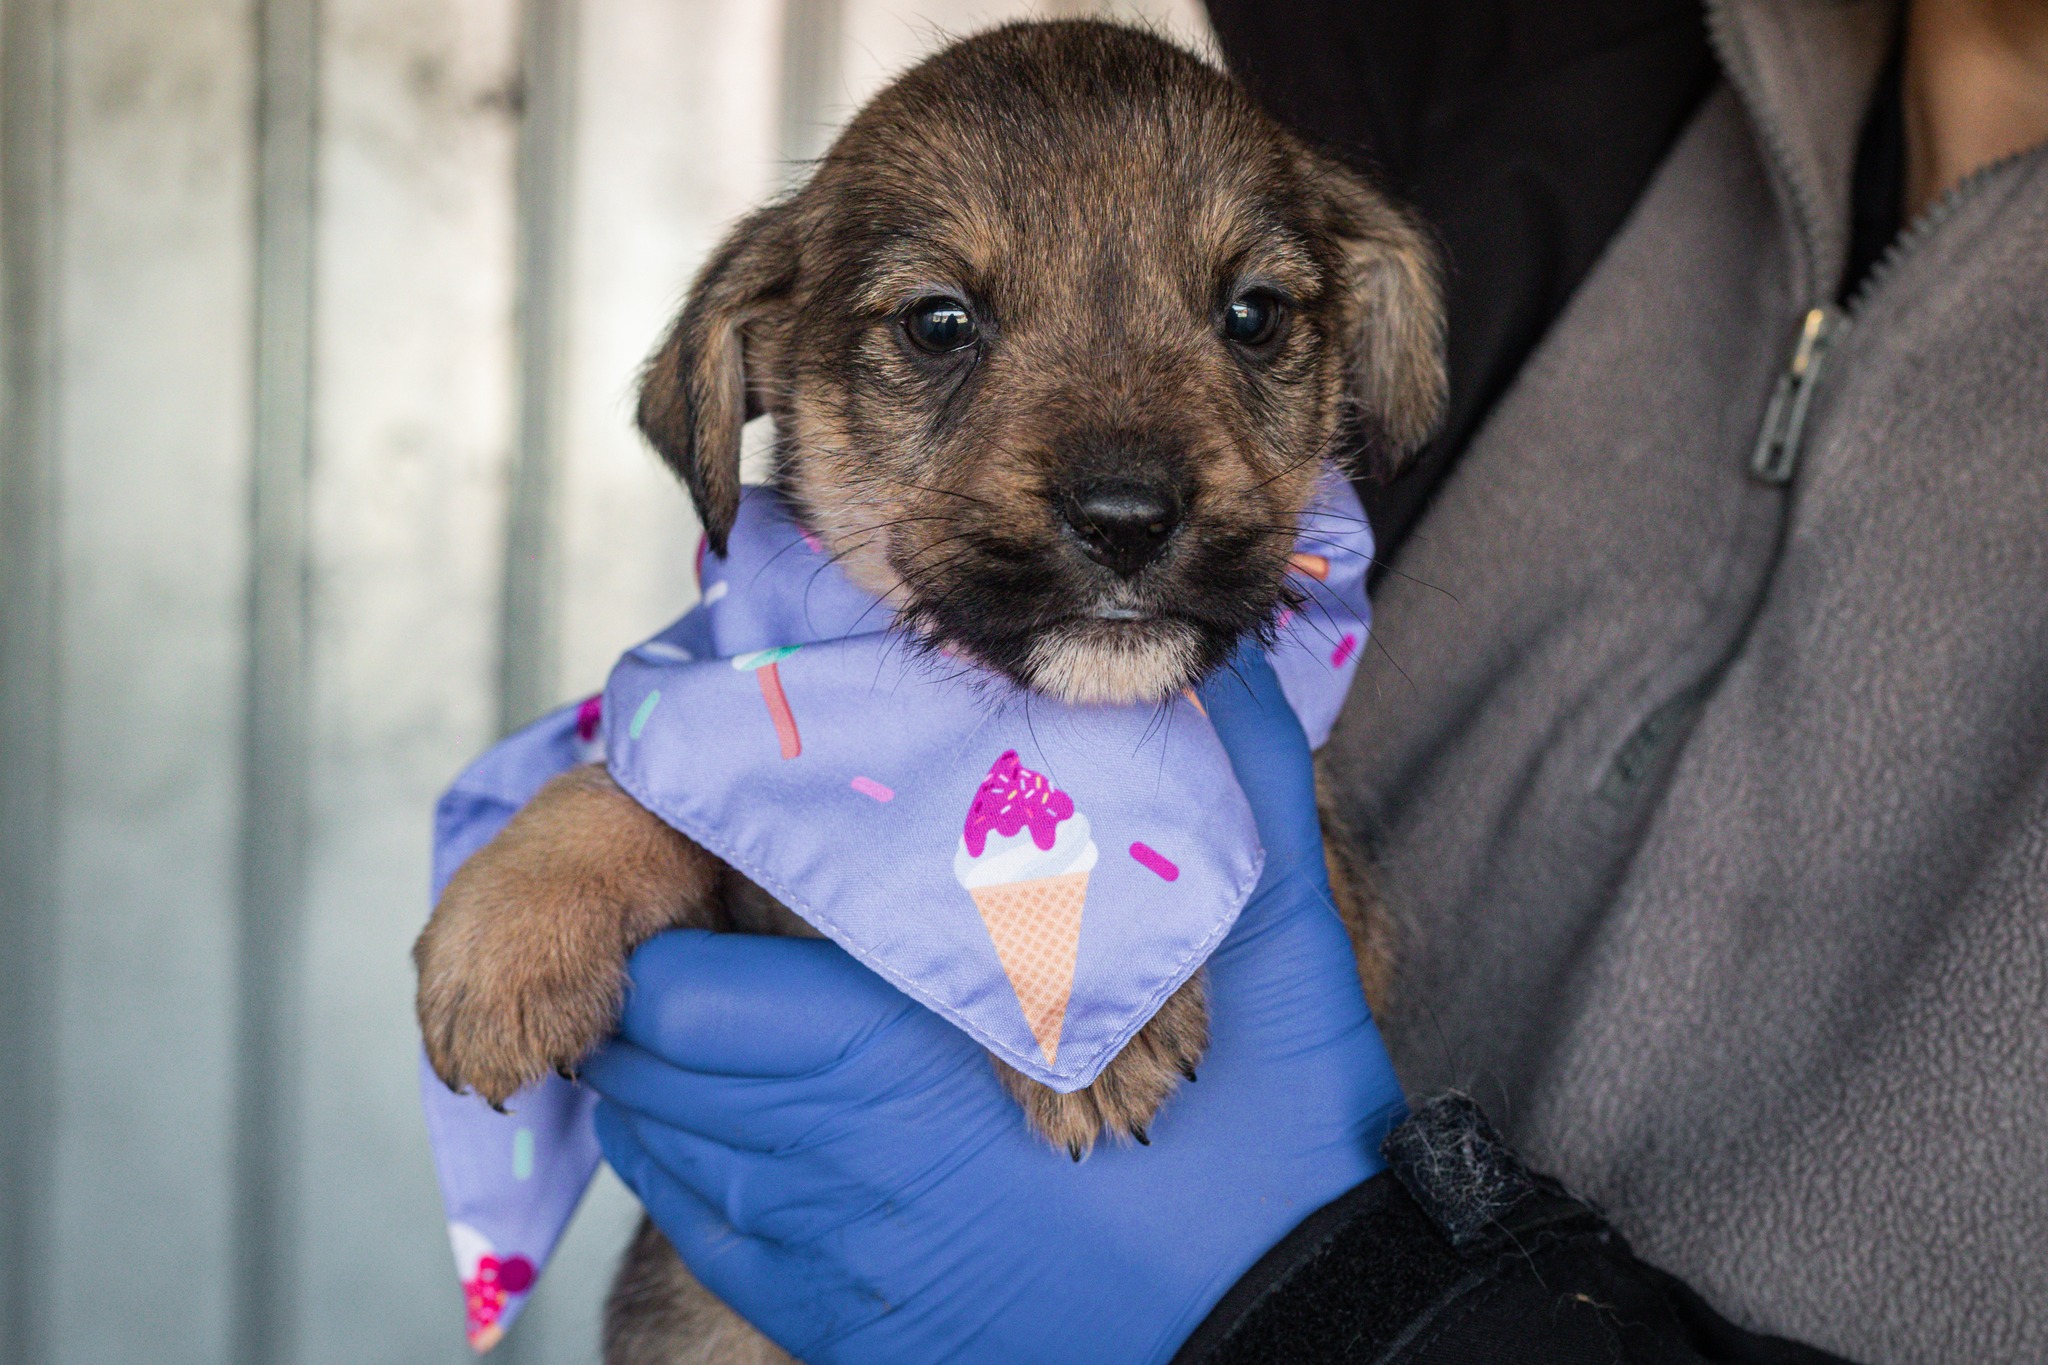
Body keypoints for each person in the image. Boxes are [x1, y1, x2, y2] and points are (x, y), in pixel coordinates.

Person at [580, 1, 2048, 1359]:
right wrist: (618, 848)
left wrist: (1355, 1312)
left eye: (1250, 321)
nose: (1126, 481)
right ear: (744, 360)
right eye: (943, 329)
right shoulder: (1532, 72)